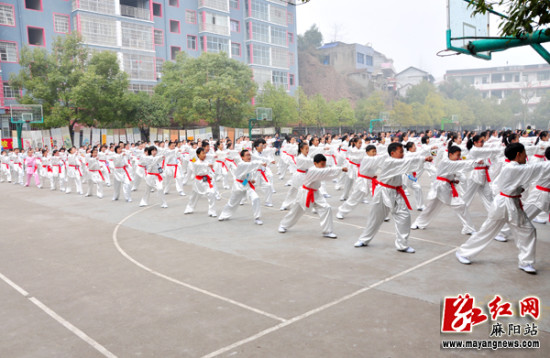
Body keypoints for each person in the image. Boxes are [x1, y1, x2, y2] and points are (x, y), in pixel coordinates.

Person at [456, 143, 550, 274]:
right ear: (518, 155)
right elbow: (538, 168)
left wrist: (516, 188)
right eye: (524, 153)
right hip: (503, 204)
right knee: (487, 231)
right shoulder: (513, 168)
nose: (526, 156)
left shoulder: (515, 167)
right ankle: (463, 252)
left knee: (528, 230)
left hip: (512, 203)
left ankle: (526, 262)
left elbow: (502, 184)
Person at [354, 142, 433, 253]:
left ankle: (402, 245)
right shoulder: (390, 162)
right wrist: (423, 159)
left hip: (396, 193)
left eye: (403, 152)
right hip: (383, 192)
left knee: (404, 216)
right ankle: (364, 239)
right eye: (400, 152)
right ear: (392, 153)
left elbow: (409, 160)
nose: (403, 154)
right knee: (375, 218)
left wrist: (422, 159)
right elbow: (408, 162)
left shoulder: (399, 162)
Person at [411, 145, 479, 235]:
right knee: (460, 205)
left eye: (459, 155)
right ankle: (468, 228)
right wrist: (475, 162)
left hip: (444, 187)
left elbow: (453, 171)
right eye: (457, 155)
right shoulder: (446, 162)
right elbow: (461, 165)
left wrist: (453, 180)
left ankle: (419, 223)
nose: (459, 157)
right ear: (450, 154)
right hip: (441, 187)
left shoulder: (452, 162)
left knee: (430, 207)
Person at [278, 154, 348, 238]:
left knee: (326, 208)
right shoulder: (313, 170)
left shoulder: (320, 169)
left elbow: (328, 174)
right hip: (305, 193)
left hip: (316, 193)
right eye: (322, 164)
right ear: (315, 163)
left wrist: (339, 170)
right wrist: (340, 168)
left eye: (324, 164)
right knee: (296, 211)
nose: (323, 166)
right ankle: (283, 225)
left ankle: (327, 231)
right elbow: (326, 171)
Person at [218, 149, 266, 225]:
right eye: (247, 155)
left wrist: (251, 179)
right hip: (238, 186)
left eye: (249, 155)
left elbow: (249, 174)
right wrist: (260, 163)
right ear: (242, 157)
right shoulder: (241, 164)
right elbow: (251, 166)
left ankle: (257, 218)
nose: (249, 156)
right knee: (232, 203)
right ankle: (223, 215)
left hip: (246, 184)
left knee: (256, 198)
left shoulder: (249, 164)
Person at [336, 145, 385, 219]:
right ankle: (341, 211)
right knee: (354, 198)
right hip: (362, 181)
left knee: (378, 196)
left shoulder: (374, 158)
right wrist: (387, 155)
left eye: (375, 151)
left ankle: (382, 214)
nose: (374, 153)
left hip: (371, 182)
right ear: (367, 152)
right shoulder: (366, 159)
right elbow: (378, 160)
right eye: (373, 151)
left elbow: (380, 164)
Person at [280, 141, 313, 211]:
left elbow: (310, 163)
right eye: (306, 149)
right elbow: (309, 162)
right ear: (301, 149)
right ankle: (286, 204)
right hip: (298, 175)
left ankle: (307, 205)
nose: (307, 150)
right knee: (293, 190)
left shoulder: (308, 157)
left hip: (305, 175)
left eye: (308, 149)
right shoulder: (300, 157)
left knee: (307, 191)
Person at [184, 147, 217, 216]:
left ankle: (212, 211)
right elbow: (199, 165)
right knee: (194, 196)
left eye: (205, 153)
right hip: (198, 182)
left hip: (206, 181)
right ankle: (189, 208)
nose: (204, 155)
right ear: (198, 155)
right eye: (202, 153)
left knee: (211, 193)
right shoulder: (196, 163)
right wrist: (207, 165)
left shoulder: (207, 161)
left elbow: (210, 159)